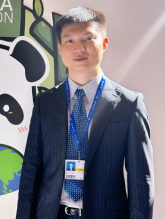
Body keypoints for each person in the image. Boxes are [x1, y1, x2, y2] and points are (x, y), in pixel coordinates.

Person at [16, 7, 154, 219]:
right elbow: (31, 169)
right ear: (60, 49)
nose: (78, 48)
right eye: (70, 41)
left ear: (104, 44)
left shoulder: (129, 103)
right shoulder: (46, 102)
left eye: (88, 39)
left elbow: (140, 180)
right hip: (51, 213)